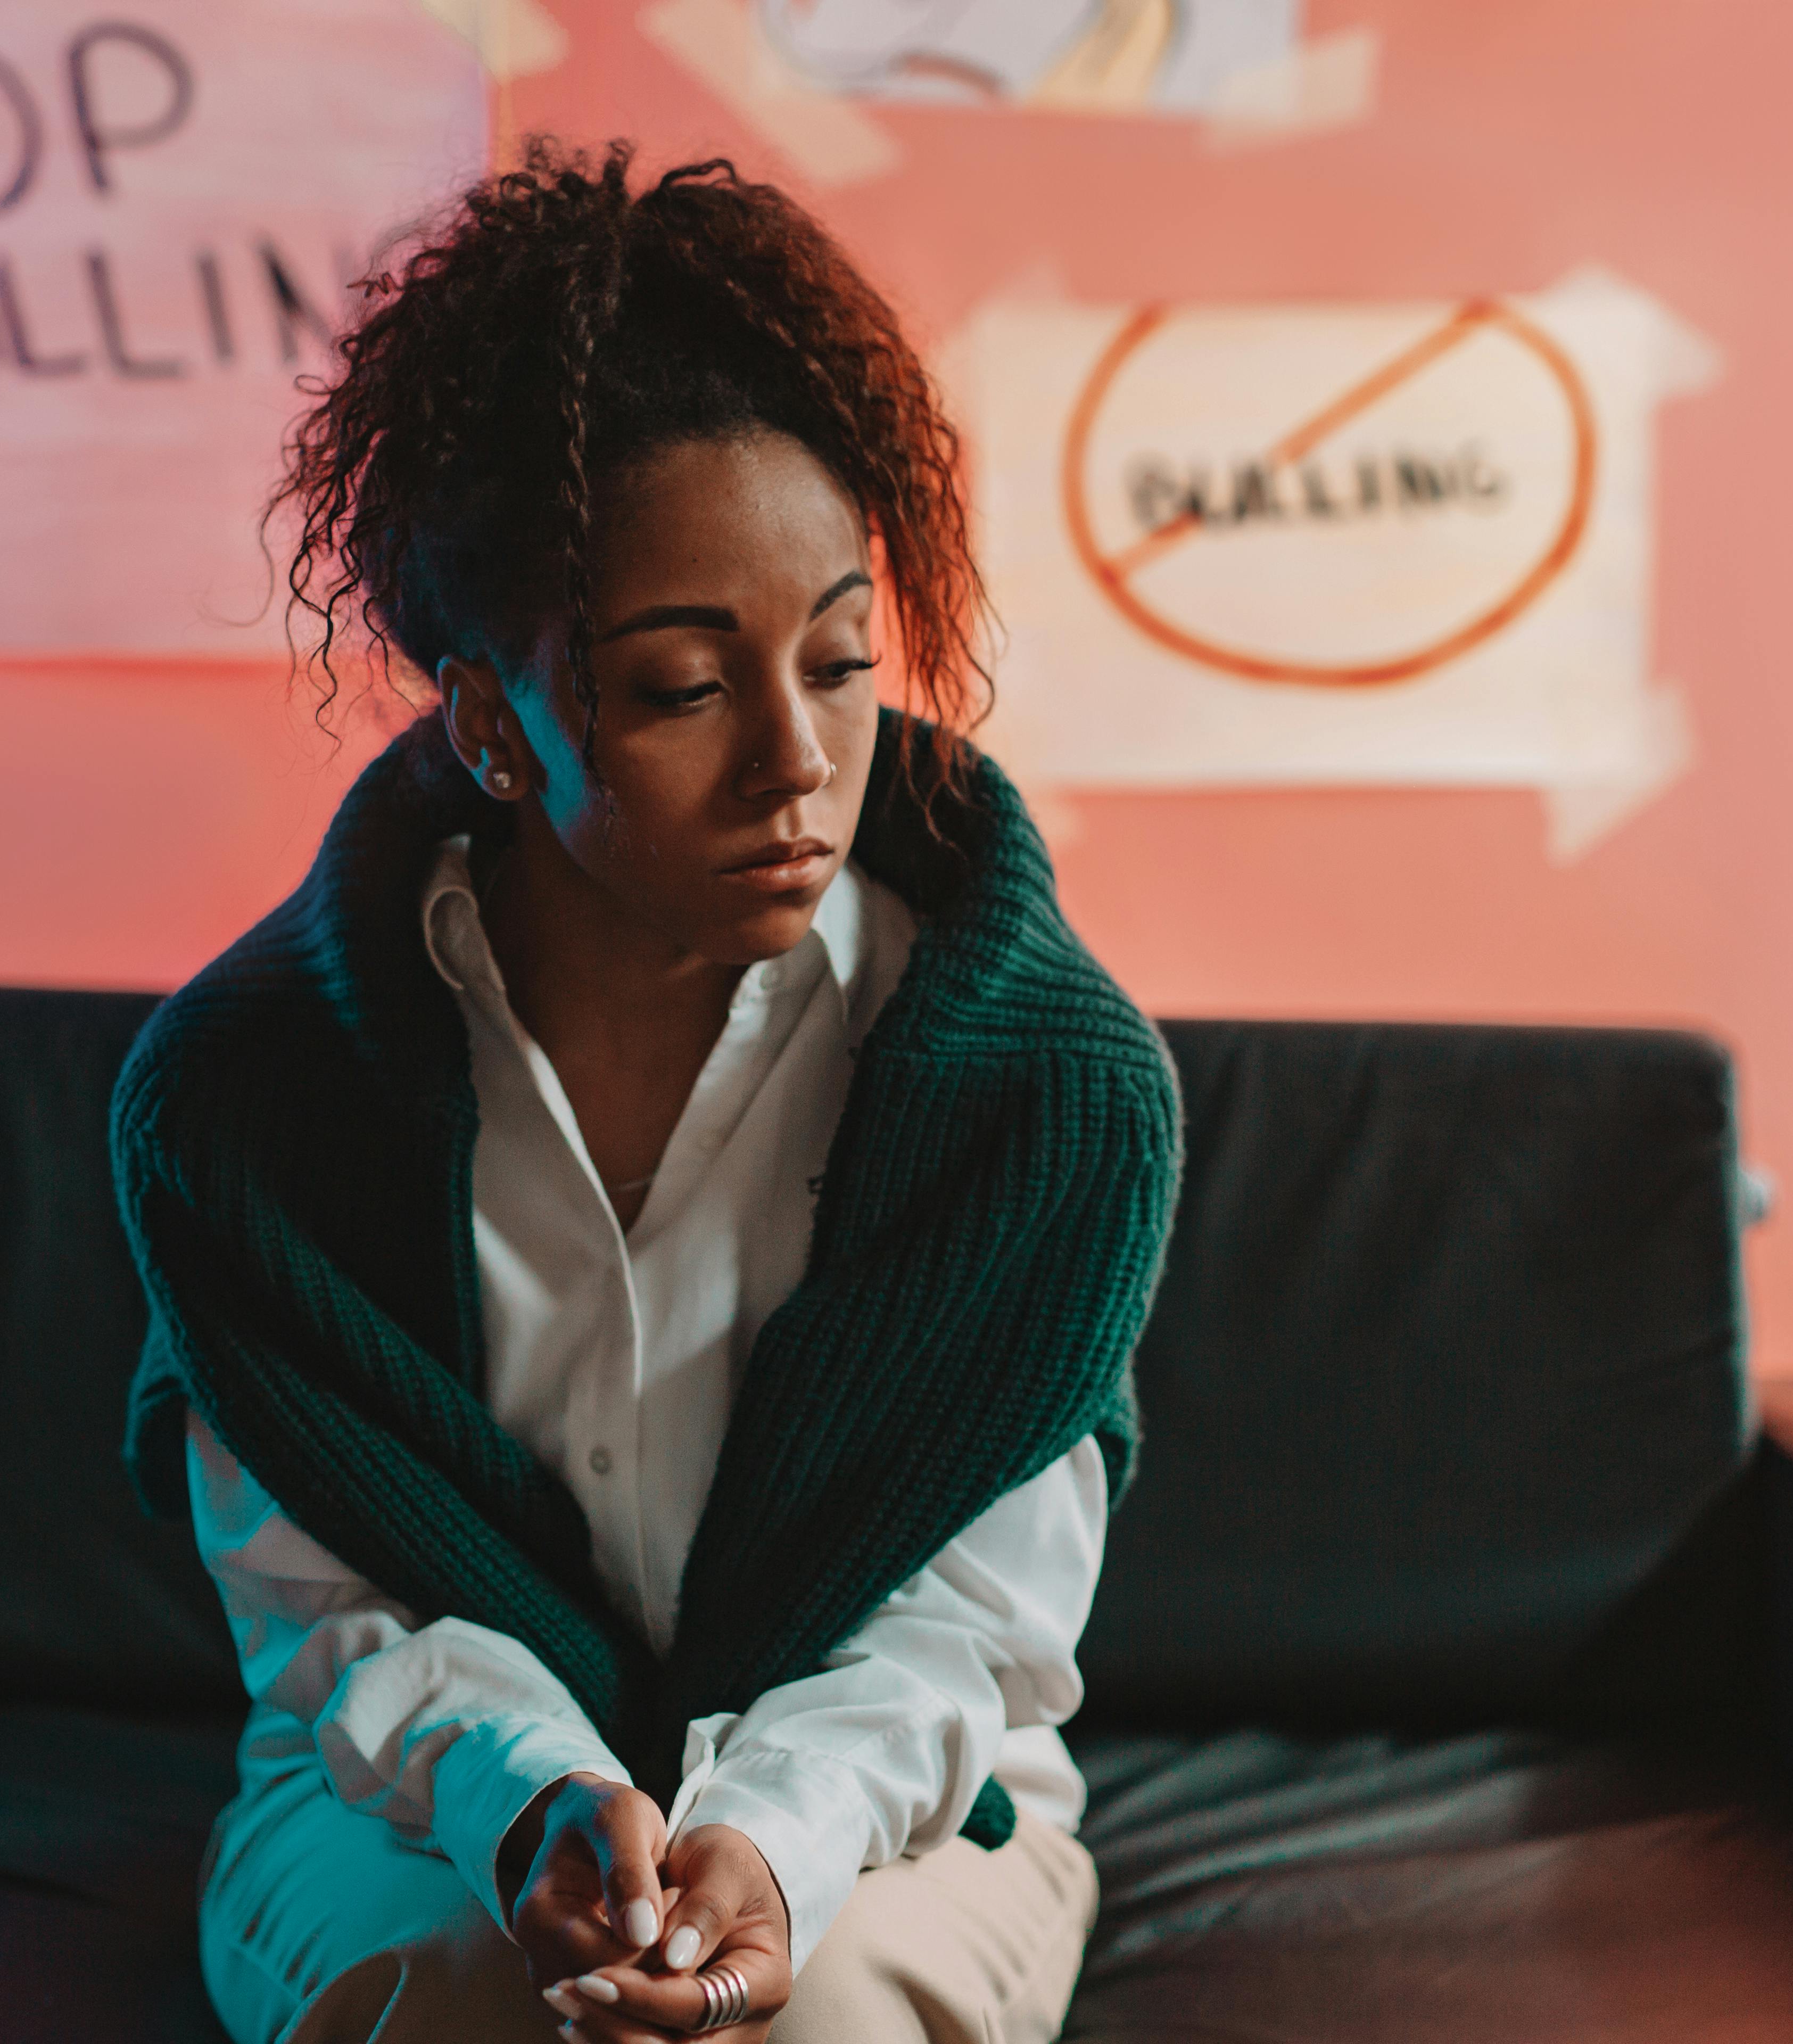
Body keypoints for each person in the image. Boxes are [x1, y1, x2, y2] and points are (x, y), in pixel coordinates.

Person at [111, 141, 1183, 2044]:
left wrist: (767, 1838)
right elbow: (326, 1612)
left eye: (844, 659)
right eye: (685, 687)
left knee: (811, 2030)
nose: (800, 759)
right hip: (403, 1806)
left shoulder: (1051, 1090)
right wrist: (532, 1804)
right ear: (488, 720)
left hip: (916, 1809)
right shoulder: (244, 1104)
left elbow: (970, 1628)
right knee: (469, 2014)